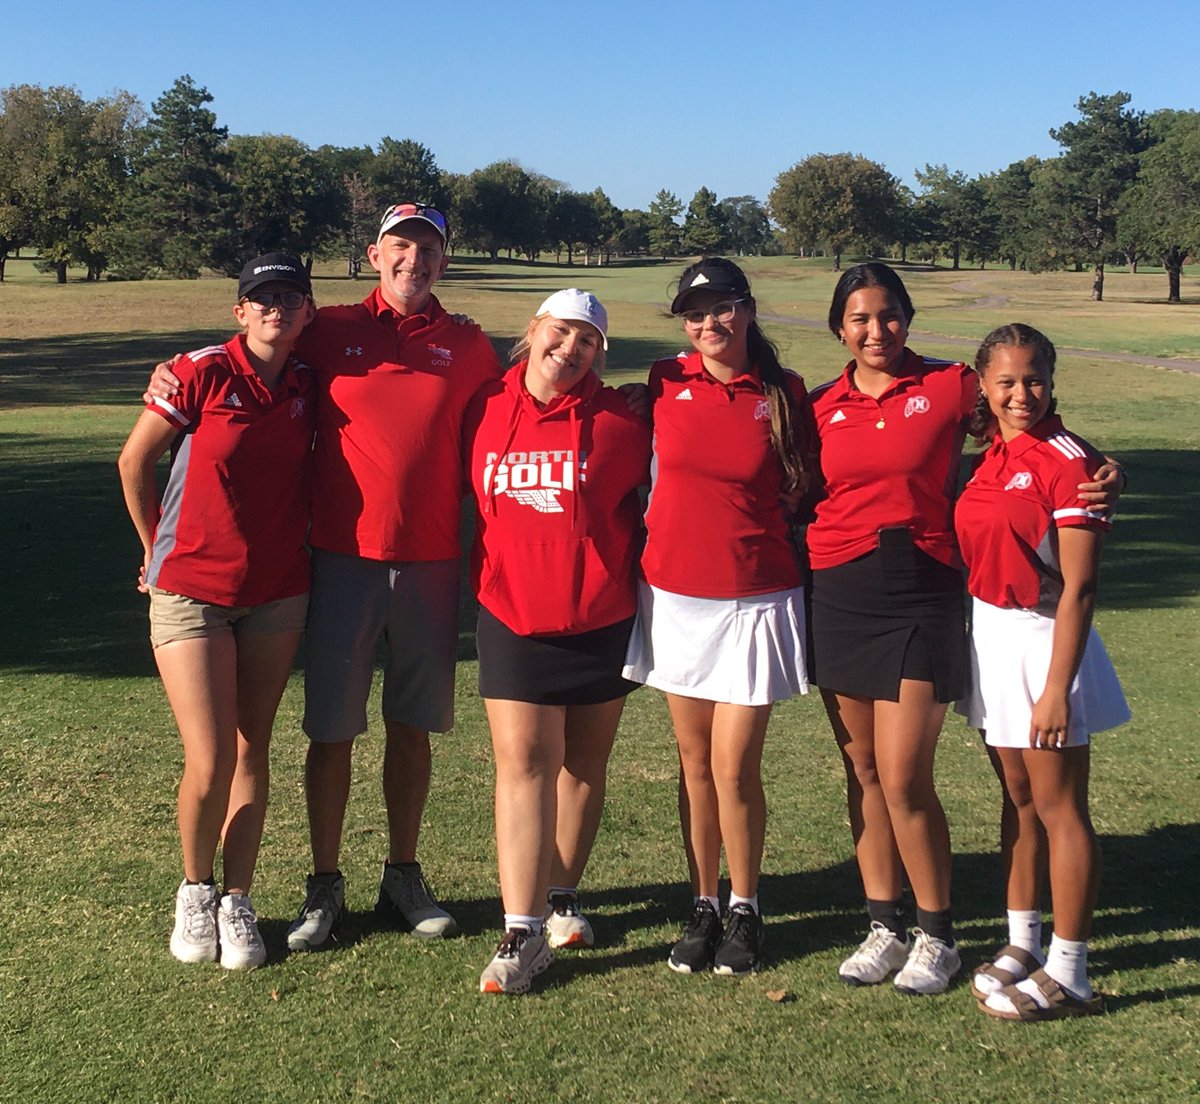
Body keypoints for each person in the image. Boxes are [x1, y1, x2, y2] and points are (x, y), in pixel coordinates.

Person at [147, 205, 502, 951]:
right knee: (332, 730)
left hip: (434, 562)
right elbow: (252, 341)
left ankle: (403, 874)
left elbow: (519, 407)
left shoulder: (468, 344)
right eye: (401, 246)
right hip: (340, 562)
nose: (415, 260)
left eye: (429, 248)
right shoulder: (327, 326)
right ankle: (324, 883)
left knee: (413, 729)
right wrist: (176, 369)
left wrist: (622, 392)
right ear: (376, 254)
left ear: (446, 258)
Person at [807, 263, 1123, 996]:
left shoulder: (950, 385)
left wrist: (1109, 471)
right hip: (840, 590)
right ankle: (885, 923)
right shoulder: (819, 402)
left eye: (888, 315)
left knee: (907, 774)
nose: (875, 330)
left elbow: (1042, 437)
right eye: (859, 318)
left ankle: (936, 934)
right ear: (838, 328)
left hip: (922, 594)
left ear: (908, 319)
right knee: (865, 773)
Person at [119, 253, 317, 969]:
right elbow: (133, 463)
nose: (276, 308)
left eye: (290, 297)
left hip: (277, 591)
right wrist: (153, 551)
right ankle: (195, 889)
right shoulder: (201, 371)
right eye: (262, 298)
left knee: (251, 749)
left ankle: (239, 899)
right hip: (191, 591)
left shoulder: (306, 381)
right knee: (208, 757)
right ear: (239, 311)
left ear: (307, 312)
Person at [623, 258, 817, 976]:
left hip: (755, 598)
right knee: (695, 764)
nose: (710, 324)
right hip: (675, 596)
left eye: (723, 308)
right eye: (696, 313)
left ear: (749, 309)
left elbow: (815, 484)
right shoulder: (663, 381)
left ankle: (746, 905)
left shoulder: (785, 393)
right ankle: (702, 903)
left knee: (735, 768)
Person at [464, 290, 651, 994]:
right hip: (510, 613)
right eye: (561, 332)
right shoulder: (481, 407)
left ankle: (563, 896)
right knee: (523, 763)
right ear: (533, 331)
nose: (571, 349)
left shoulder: (625, 419)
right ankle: (522, 930)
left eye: (588, 340)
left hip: (602, 615)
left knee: (583, 764)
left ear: (601, 352)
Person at [954, 324, 1129, 1021]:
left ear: (1052, 381)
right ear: (985, 386)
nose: (1021, 392)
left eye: (1034, 379)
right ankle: (1023, 943)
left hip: (1045, 644)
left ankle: (1071, 969)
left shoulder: (1069, 462)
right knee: (1018, 800)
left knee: (1060, 809)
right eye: (1007, 381)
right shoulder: (991, 455)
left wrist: (1058, 687)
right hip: (991, 638)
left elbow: (1081, 589)